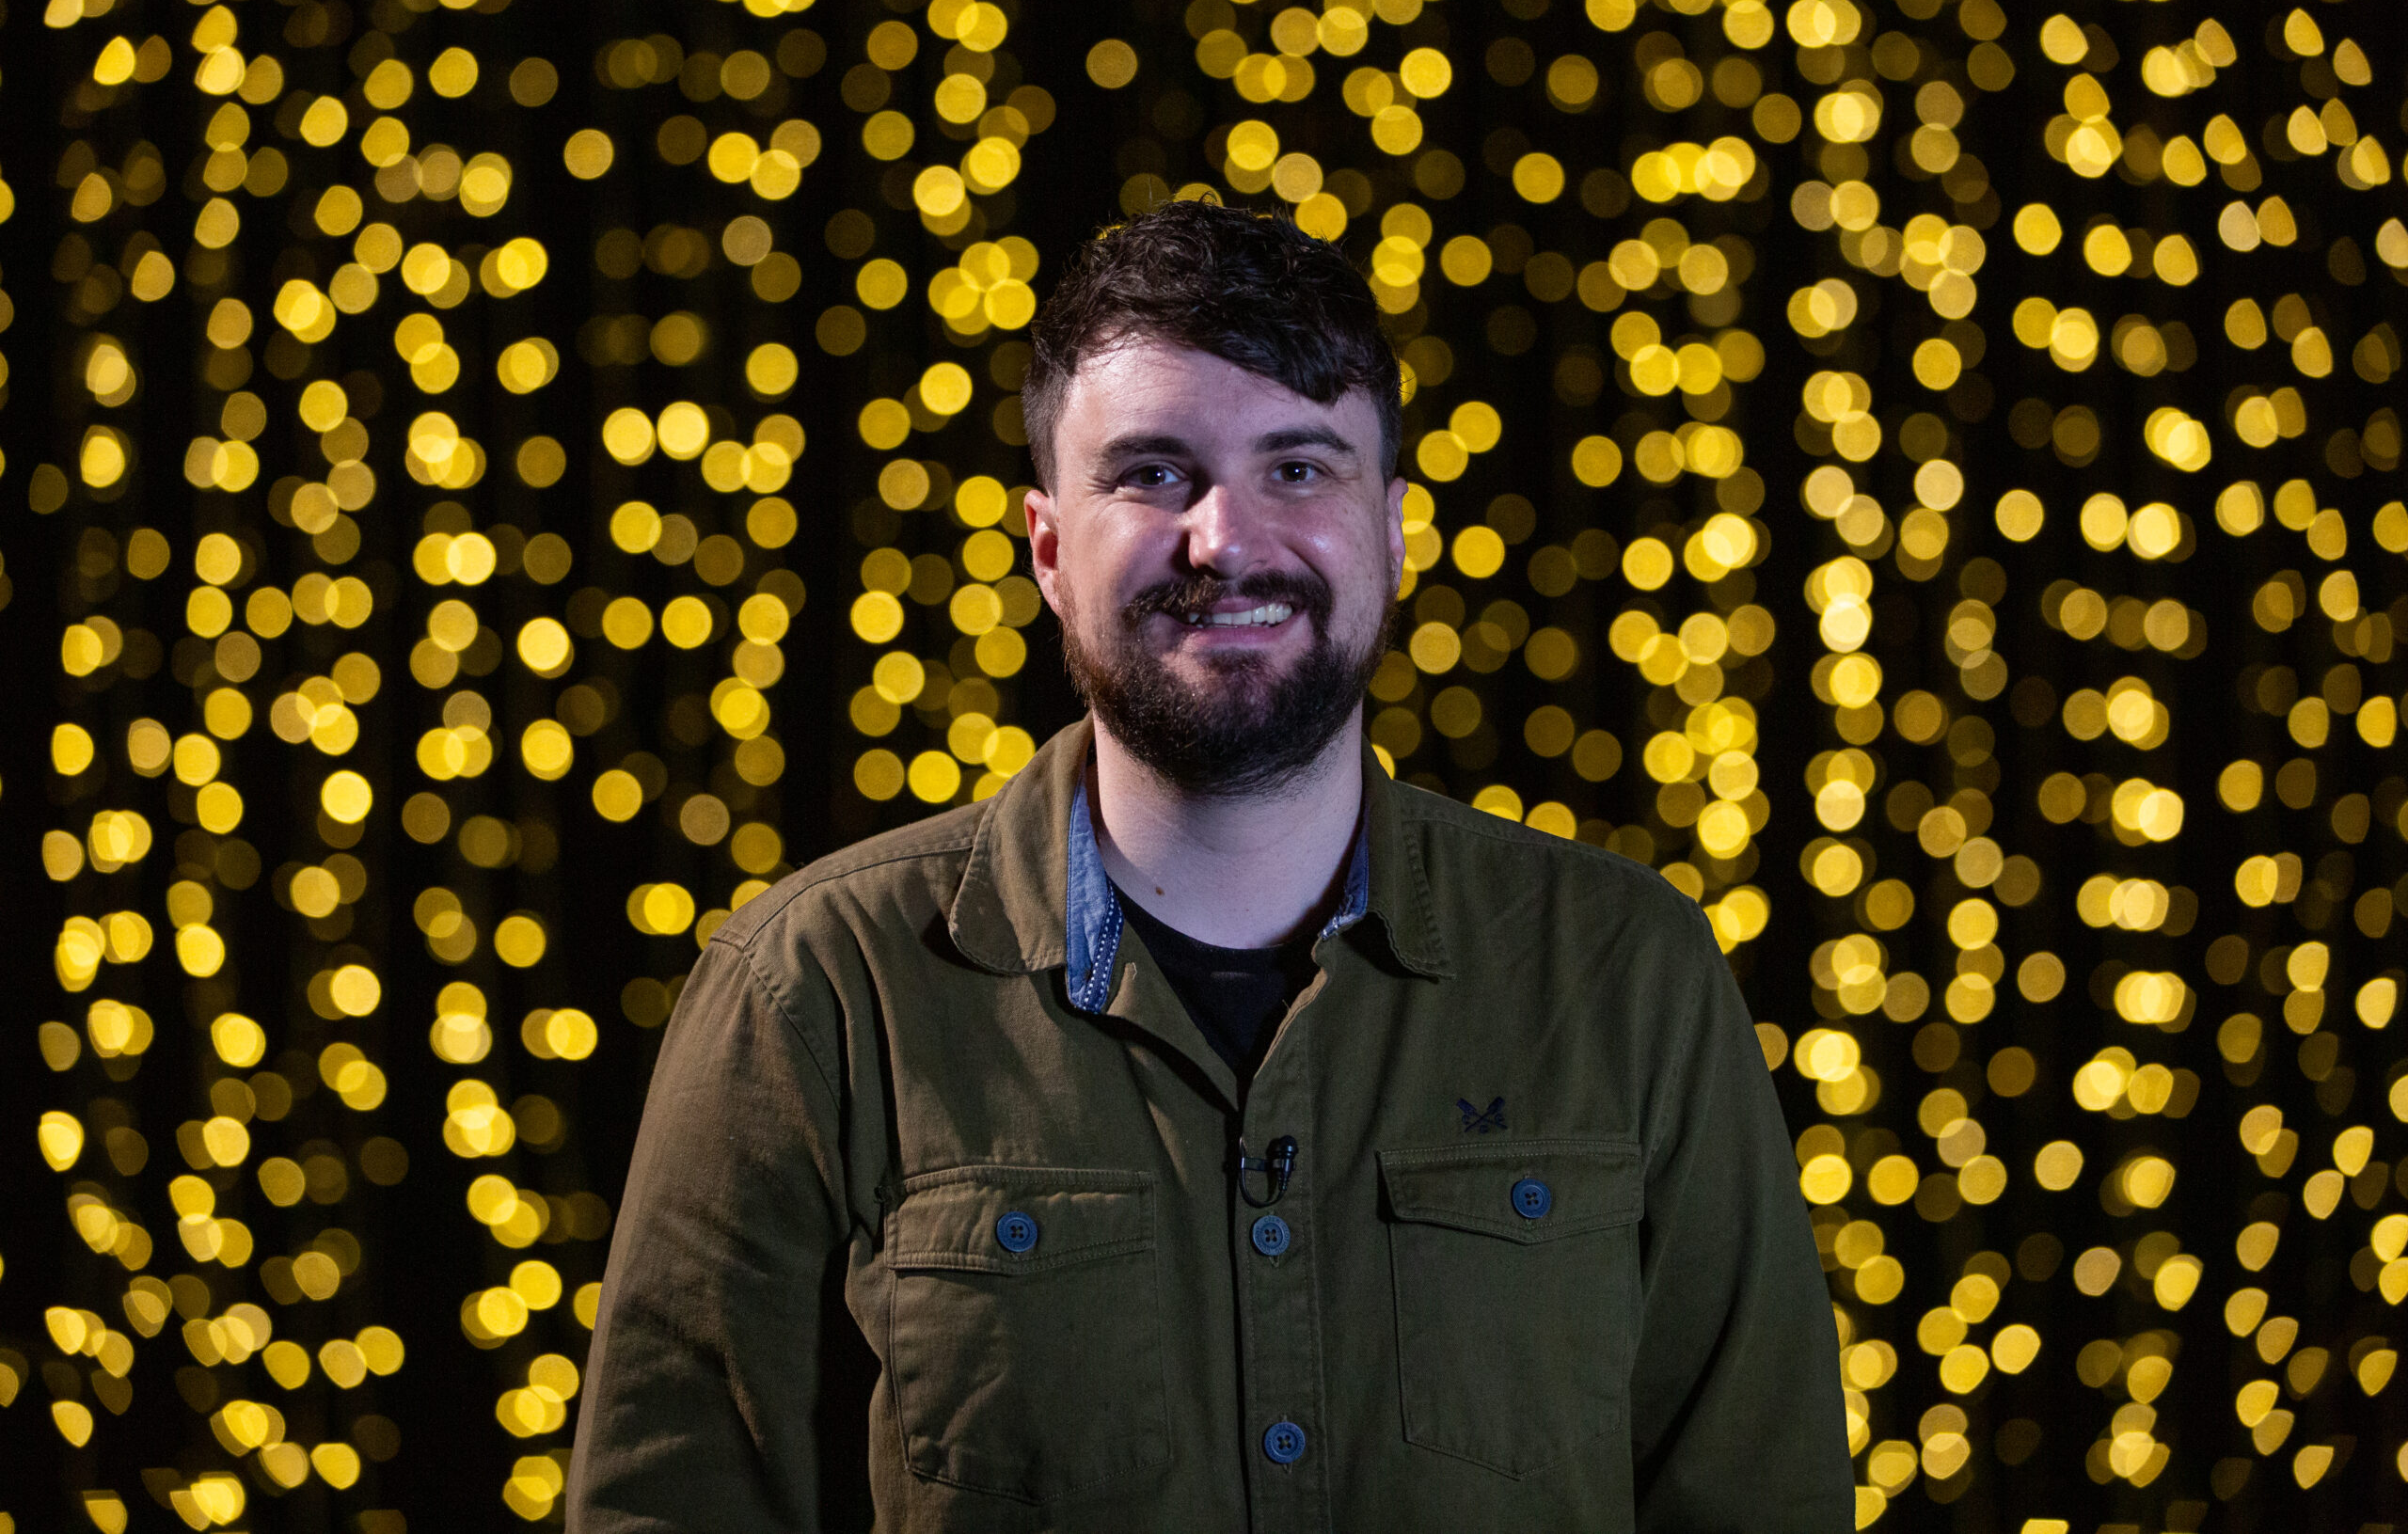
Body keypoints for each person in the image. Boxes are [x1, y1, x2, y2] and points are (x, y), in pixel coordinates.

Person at [567, 201, 1851, 1532]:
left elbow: (1766, 1503)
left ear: (1396, 531)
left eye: (1298, 468)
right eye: (1153, 473)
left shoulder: (1624, 974)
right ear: (1050, 548)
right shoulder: (817, 991)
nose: (1225, 540)